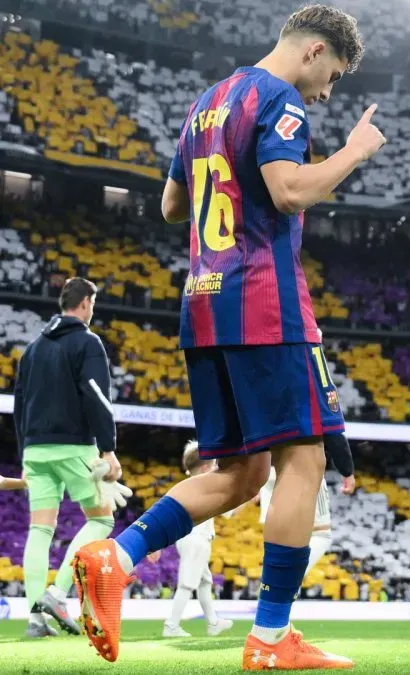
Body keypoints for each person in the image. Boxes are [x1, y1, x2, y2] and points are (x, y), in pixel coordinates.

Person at [72, 5, 385, 669]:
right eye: (332, 75)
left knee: (242, 472)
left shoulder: (205, 103)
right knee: (304, 460)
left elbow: (171, 206)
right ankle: (270, 640)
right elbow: (289, 192)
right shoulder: (278, 98)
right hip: (265, 303)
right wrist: (353, 153)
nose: (327, 92)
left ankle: (115, 555)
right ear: (314, 50)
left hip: (204, 303)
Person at [14, 278, 123, 639]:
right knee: (102, 519)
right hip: (73, 445)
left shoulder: (33, 349)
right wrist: (108, 448)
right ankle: (57, 594)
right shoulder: (87, 342)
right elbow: (96, 395)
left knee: (40, 529)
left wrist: (24, 453)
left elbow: (19, 405)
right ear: (86, 303)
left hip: (34, 449)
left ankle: (35, 620)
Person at [259, 432, 356, 579]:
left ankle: (272, 587)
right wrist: (347, 471)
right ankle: (282, 584)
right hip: (302, 467)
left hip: (268, 470)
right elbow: (332, 432)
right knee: (321, 535)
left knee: (282, 537)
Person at [163, 442, 235, 638]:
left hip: (188, 539)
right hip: (197, 540)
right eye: (213, 465)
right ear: (205, 468)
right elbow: (228, 512)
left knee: (204, 582)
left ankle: (213, 623)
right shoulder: (206, 488)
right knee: (187, 583)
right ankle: (171, 625)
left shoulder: (183, 487)